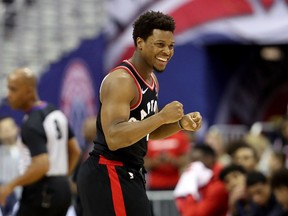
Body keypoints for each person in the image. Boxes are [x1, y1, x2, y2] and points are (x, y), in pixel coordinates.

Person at [77, 10, 202, 216]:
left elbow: (144, 132)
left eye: (170, 46)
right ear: (140, 43)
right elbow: (115, 137)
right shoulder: (121, 81)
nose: (167, 51)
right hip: (109, 171)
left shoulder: (152, 81)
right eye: (159, 45)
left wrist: (179, 125)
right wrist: (161, 117)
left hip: (129, 173)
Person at [0, 67, 81, 216]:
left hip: (41, 192)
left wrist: (10, 186)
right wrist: (61, 178)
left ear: (29, 91)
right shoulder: (55, 111)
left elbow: (42, 164)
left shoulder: (31, 123)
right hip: (62, 190)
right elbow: (75, 150)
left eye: (13, 89)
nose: (8, 95)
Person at [174, 143, 228, 216]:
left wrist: (189, 192)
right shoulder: (201, 181)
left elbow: (193, 214)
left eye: (197, 160)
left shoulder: (218, 184)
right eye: (191, 161)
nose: (193, 164)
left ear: (210, 159)